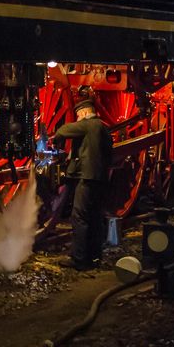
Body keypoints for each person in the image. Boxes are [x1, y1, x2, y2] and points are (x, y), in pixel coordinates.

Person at [53, 99, 113, 270]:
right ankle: (94, 256)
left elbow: (64, 130)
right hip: (100, 178)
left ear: (85, 113)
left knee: (79, 216)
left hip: (86, 178)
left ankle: (79, 258)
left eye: (79, 116)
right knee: (95, 217)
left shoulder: (89, 125)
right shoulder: (104, 129)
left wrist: (56, 140)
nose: (78, 119)